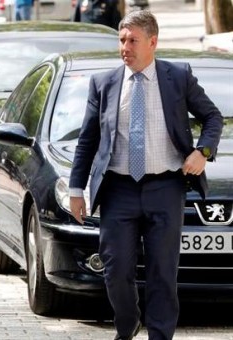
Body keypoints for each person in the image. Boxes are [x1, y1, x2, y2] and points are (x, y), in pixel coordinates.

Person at [68, 10, 223, 340]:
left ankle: (159, 336)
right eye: (121, 40)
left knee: (162, 273)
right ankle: (127, 325)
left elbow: (212, 118)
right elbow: (88, 139)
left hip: (165, 187)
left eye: (132, 40)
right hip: (118, 190)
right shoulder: (104, 83)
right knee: (116, 269)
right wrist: (76, 188)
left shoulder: (177, 78)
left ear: (152, 42)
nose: (125, 47)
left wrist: (203, 151)